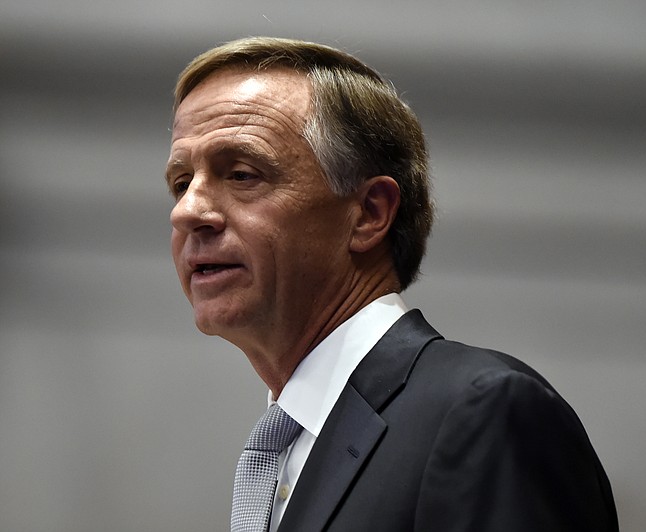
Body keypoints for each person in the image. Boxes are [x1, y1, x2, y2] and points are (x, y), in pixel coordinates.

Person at [166, 36, 618, 532]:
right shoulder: (290, 449)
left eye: (242, 174)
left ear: (369, 214)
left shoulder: (483, 413)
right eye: (182, 182)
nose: (188, 211)